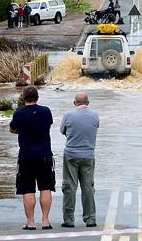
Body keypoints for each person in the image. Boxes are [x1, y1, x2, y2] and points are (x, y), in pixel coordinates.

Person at [9, 85, 55, 230]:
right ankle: (46, 221)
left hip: (26, 156)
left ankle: (31, 222)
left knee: (28, 189)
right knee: (46, 187)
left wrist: (23, 131)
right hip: (45, 155)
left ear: (23, 99)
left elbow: (12, 128)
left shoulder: (19, 113)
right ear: (37, 97)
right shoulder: (46, 111)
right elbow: (48, 125)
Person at [59, 91, 99, 227]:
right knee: (88, 187)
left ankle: (69, 220)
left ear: (74, 103)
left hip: (71, 154)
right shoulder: (94, 115)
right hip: (88, 155)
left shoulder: (68, 115)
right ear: (88, 103)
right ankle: (90, 218)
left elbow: (63, 131)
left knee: (69, 186)